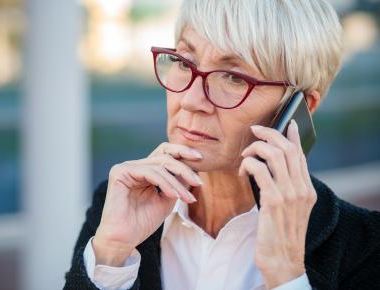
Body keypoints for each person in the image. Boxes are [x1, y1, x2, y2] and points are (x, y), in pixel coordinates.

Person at [64, 0, 380, 289]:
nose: (190, 100)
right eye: (185, 63)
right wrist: (111, 257)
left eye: (233, 77)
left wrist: (287, 274)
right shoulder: (120, 202)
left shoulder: (364, 246)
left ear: (300, 107)